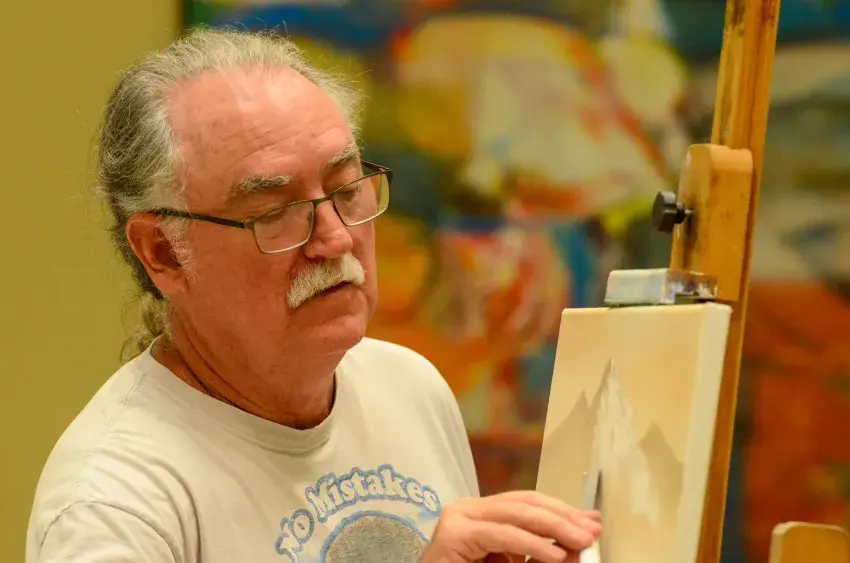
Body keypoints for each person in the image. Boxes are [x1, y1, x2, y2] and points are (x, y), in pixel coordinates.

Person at [26, 28, 602, 563]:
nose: (335, 238)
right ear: (164, 253)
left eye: (346, 189)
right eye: (275, 212)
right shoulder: (111, 502)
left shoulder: (409, 388)